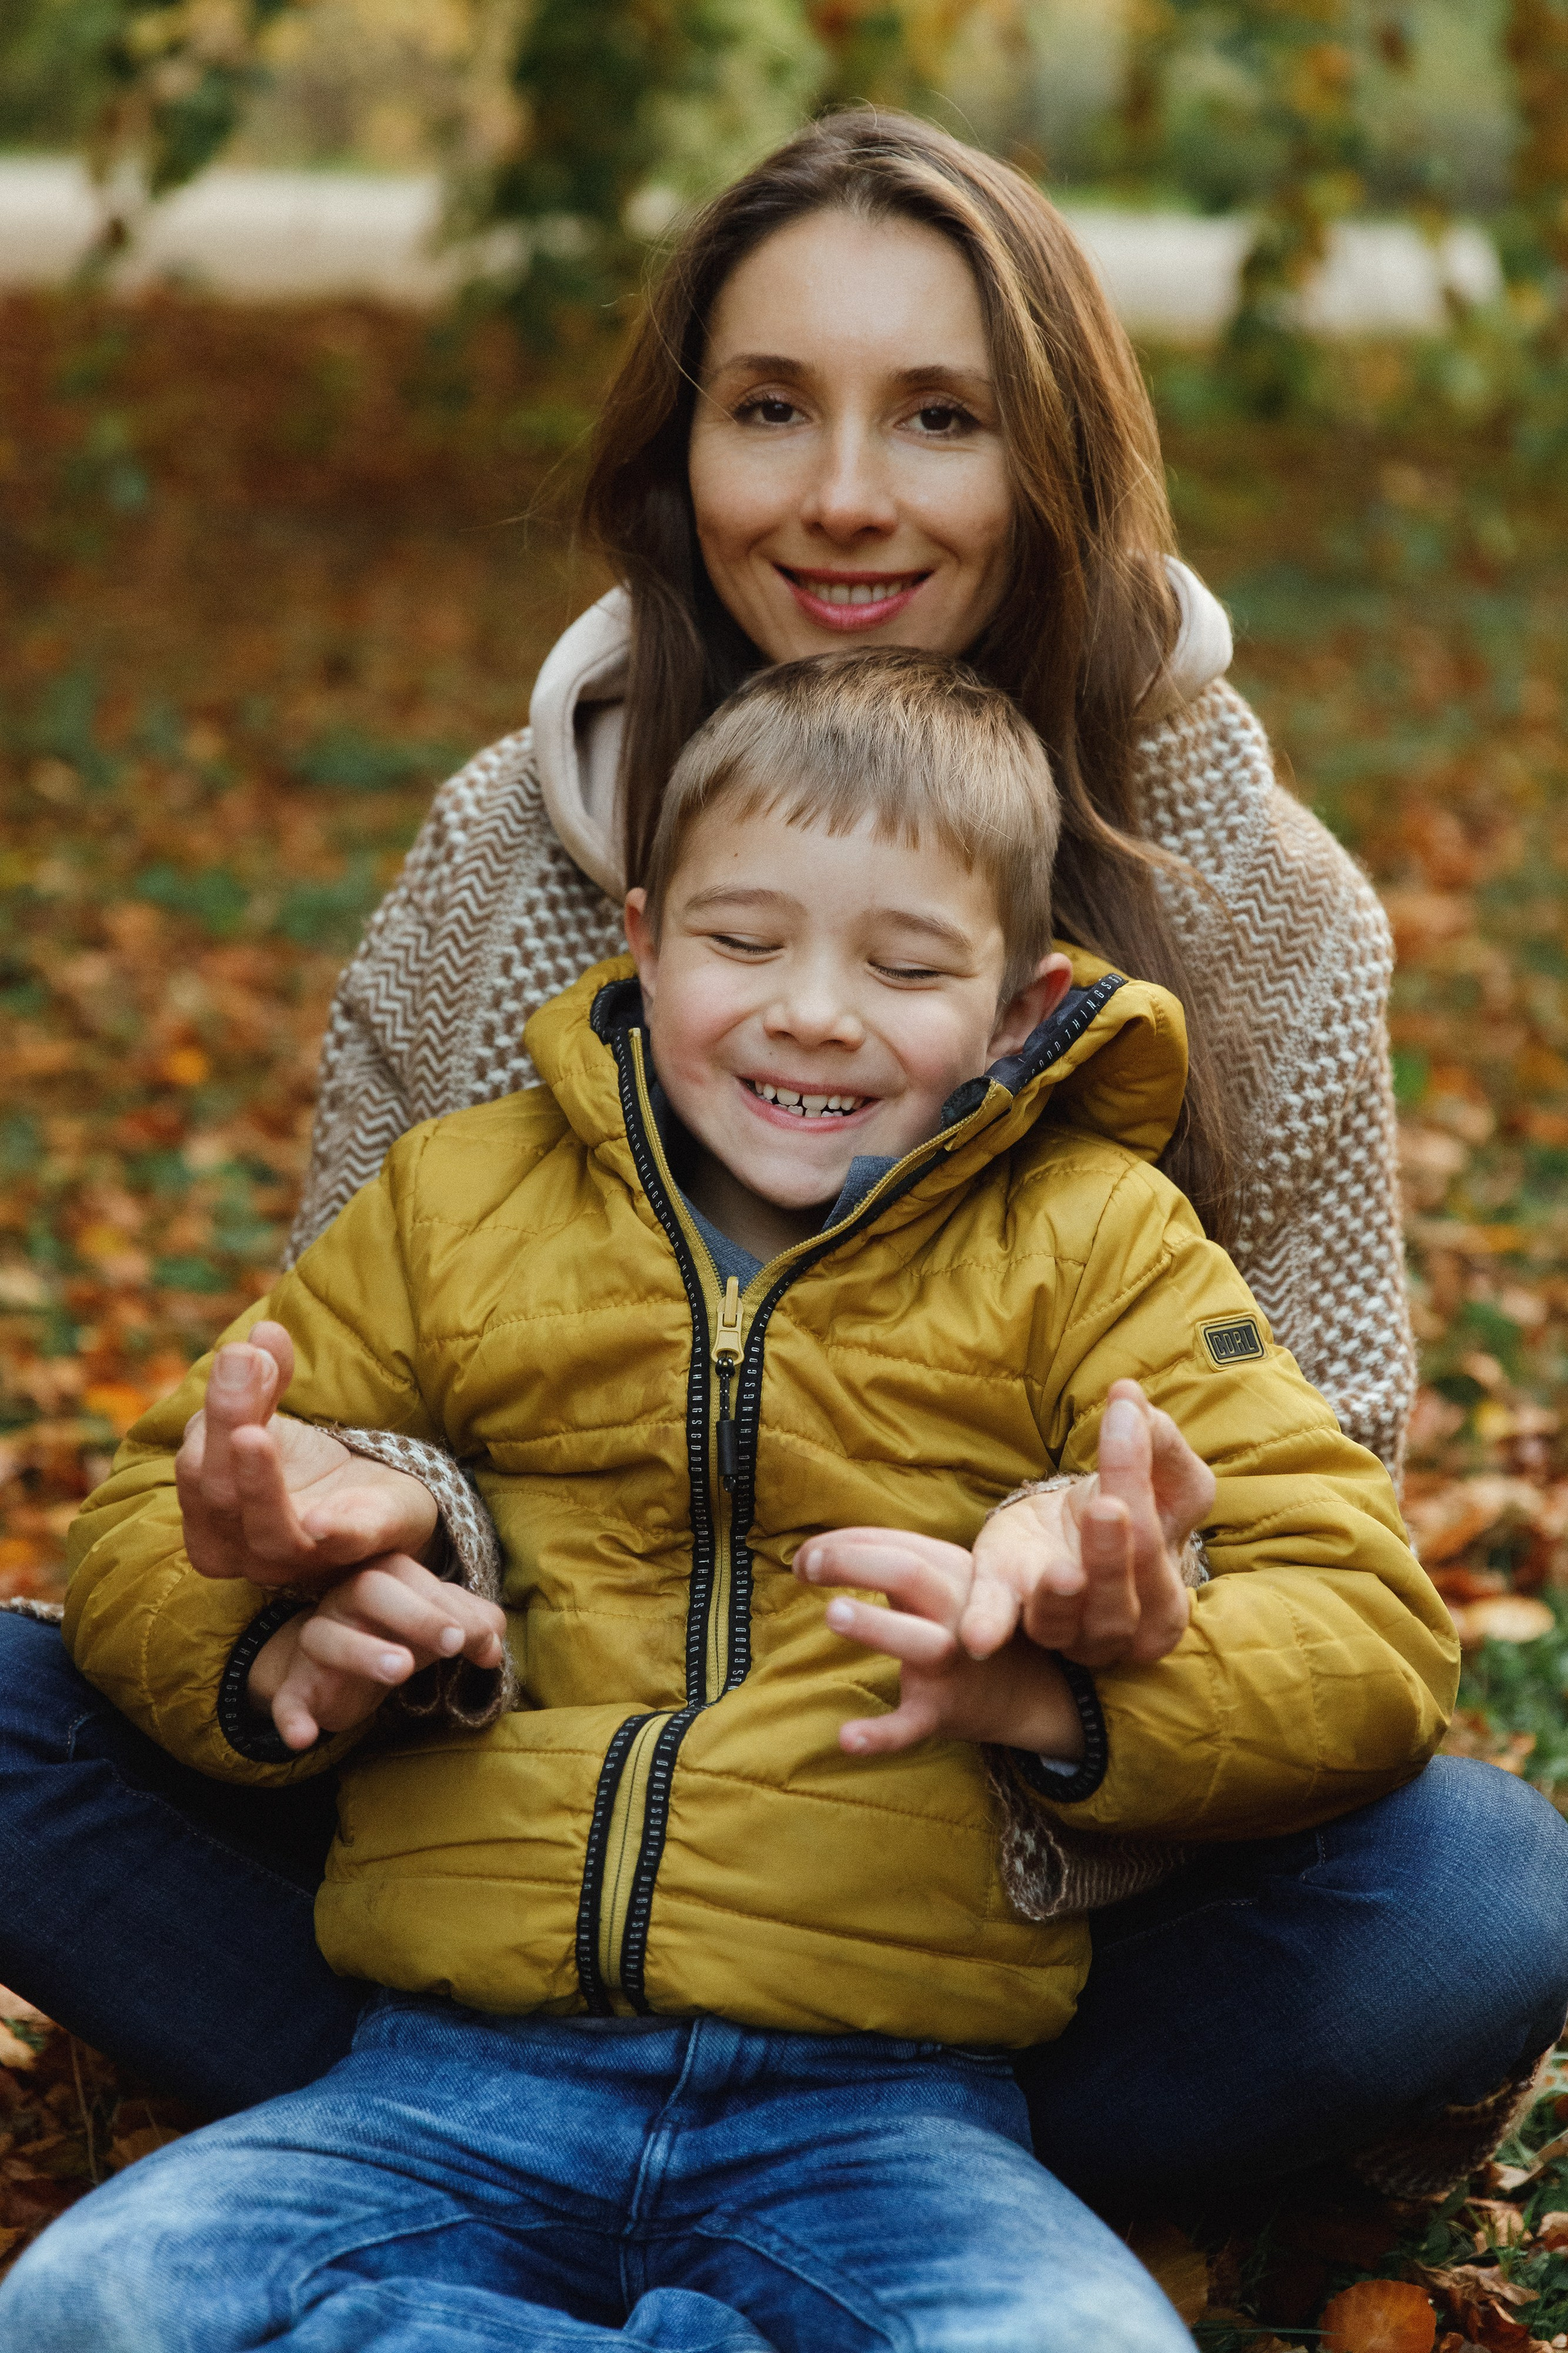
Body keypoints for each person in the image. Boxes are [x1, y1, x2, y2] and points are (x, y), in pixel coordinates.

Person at [1, 105, 1566, 2199]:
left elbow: (1323, 1483)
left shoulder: (1264, 906)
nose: (843, 494)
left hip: (991, 1906)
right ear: (682, 450)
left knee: (1477, 1889)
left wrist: (1085, 1610)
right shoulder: (505, 856)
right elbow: (347, 1373)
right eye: (768, 407)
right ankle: (528, 2130)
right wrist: (367, 1559)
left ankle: (848, 2161)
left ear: (1055, 461)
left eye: (939, 416)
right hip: (502, 1852)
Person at [1, 651, 1460, 2352]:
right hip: (445, 2074)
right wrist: (263, 1626)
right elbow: (139, 1521)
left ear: (1019, 1005)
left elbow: (1369, 1629)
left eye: (905, 965)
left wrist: (1067, 1688)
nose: (814, 1012)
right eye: (744, 941)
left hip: (886, 2109)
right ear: (642, 937)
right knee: (85, 2303)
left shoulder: (1097, 1243)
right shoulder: (456, 1202)